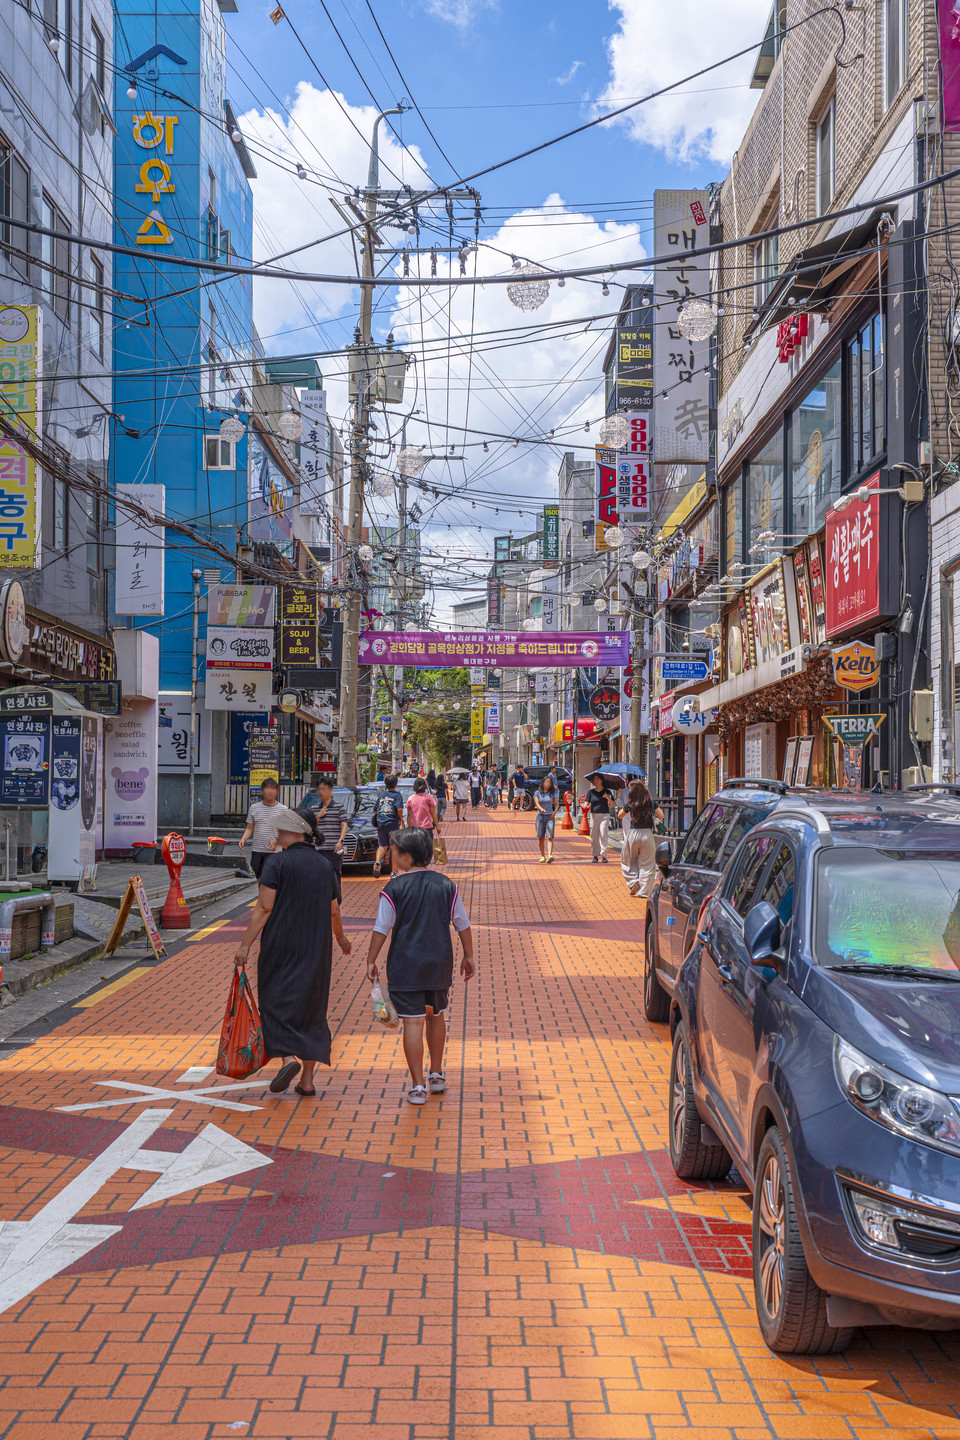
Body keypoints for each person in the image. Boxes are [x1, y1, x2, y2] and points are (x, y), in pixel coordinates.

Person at [233, 807, 352, 1097]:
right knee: (312, 1007)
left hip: (280, 945)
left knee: (275, 1000)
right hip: (316, 946)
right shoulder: (326, 865)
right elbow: (334, 909)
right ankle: (307, 1081)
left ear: (298, 831)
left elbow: (264, 907)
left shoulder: (277, 864)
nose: (278, 832)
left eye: (283, 828)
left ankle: (287, 1058)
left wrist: (245, 944)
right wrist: (340, 939)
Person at [365, 826, 475, 1105]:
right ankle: (436, 1074)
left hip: (405, 964)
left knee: (412, 1021)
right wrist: (468, 955)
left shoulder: (394, 888)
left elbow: (382, 927)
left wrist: (371, 959)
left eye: (394, 850)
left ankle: (417, 1086)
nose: (391, 854)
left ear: (405, 855)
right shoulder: (447, 885)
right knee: (436, 1013)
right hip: (439, 962)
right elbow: (462, 922)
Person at [298, 774, 349, 900]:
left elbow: (344, 825)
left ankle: (336, 904)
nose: (321, 792)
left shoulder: (339, 807)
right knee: (317, 877)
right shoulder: (314, 808)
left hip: (334, 849)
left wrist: (340, 841)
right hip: (317, 850)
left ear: (331, 790)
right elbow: (310, 829)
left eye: (324, 789)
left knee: (334, 877)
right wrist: (318, 816)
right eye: (319, 789)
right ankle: (321, 902)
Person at [618, 779, 659, 898]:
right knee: (647, 864)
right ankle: (644, 892)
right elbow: (661, 815)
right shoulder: (650, 802)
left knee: (628, 860)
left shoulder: (630, 803)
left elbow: (620, 815)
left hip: (633, 833)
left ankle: (632, 881)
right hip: (647, 834)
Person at [239, 776, 281, 879]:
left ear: (277, 791)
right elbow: (249, 828)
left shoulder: (283, 809)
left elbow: (287, 832)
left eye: (273, 788)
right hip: (258, 850)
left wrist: (277, 840)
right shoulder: (254, 808)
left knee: (272, 880)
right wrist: (243, 838)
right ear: (262, 791)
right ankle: (261, 895)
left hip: (274, 851)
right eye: (267, 788)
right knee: (259, 879)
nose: (270, 791)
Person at [373, 774, 404, 878]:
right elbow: (399, 809)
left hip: (381, 823)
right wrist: (400, 819)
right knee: (394, 848)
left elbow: (374, 810)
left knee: (382, 845)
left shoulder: (381, 796)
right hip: (392, 824)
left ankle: (377, 862)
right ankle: (394, 872)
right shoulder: (397, 795)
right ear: (396, 784)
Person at [585, 778, 613, 864]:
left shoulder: (607, 791)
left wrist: (608, 798)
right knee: (594, 836)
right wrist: (586, 805)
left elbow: (613, 804)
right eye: (595, 779)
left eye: (598, 779)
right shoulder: (591, 792)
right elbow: (587, 802)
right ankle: (595, 855)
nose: (596, 781)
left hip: (604, 815)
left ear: (602, 781)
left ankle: (604, 855)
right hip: (594, 815)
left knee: (603, 833)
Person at [533, 774, 559, 864]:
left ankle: (549, 855)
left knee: (549, 836)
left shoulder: (552, 793)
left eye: (549, 783)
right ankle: (542, 856)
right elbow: (536, 803)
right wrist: (541, 809)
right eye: (546, 782)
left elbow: (557, 804)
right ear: (543, 783)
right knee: (541, 837)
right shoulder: (537, 793)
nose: (548, 784)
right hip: (540, 816)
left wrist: (554, 813)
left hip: (550, 817)